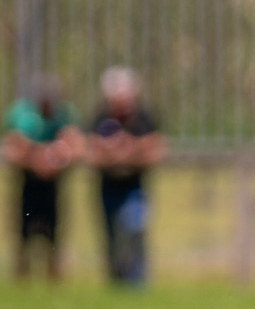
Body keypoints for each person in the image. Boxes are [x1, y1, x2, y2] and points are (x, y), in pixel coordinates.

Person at [88, 66, 166, 285]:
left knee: (135, 228)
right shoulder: (101, 117)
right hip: (108, 184)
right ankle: (115, 279)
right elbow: (92, 152)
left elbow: (156, 149)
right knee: (111, 233)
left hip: (135, 185)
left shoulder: (143, 117)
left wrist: (125, 149)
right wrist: (122, 152)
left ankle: (137, 280)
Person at [3, 76, 85, 282]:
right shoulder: (22, 115)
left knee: (54, 234)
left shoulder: (64, 115)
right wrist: (37, 159)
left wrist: (55, 160)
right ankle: (22, 277)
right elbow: (13, 147)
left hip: (53, 185)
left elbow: (76, 145)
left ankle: (53, 277)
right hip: (28, 183)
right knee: (23, 233)